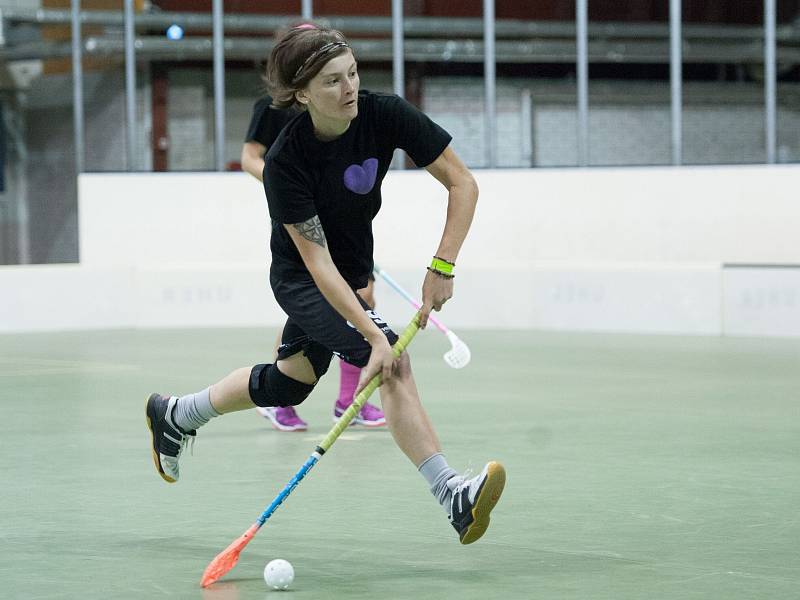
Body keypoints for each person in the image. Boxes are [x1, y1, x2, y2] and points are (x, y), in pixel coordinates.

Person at [146, 24, 505, 545]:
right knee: (390, 361)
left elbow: (462, 182)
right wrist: (376, 337)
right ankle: (452, 494)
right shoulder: (285, 163)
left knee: (290, 381)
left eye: (353, 73)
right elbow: (316, 265)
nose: (351, 88)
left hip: (353, 270)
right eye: (333, 81)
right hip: (304, 280)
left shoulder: (385, 113)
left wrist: (443, 265)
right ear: (301, 94)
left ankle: (177, 414)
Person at [241, 80, 385, 432]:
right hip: (298, 215)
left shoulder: (335, 111)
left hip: (339, 217)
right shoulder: (270, 108)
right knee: (310, 310)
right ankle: (281, 399)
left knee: (362, 295)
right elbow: (250, 158)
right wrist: (291, 188)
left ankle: (348, 400)